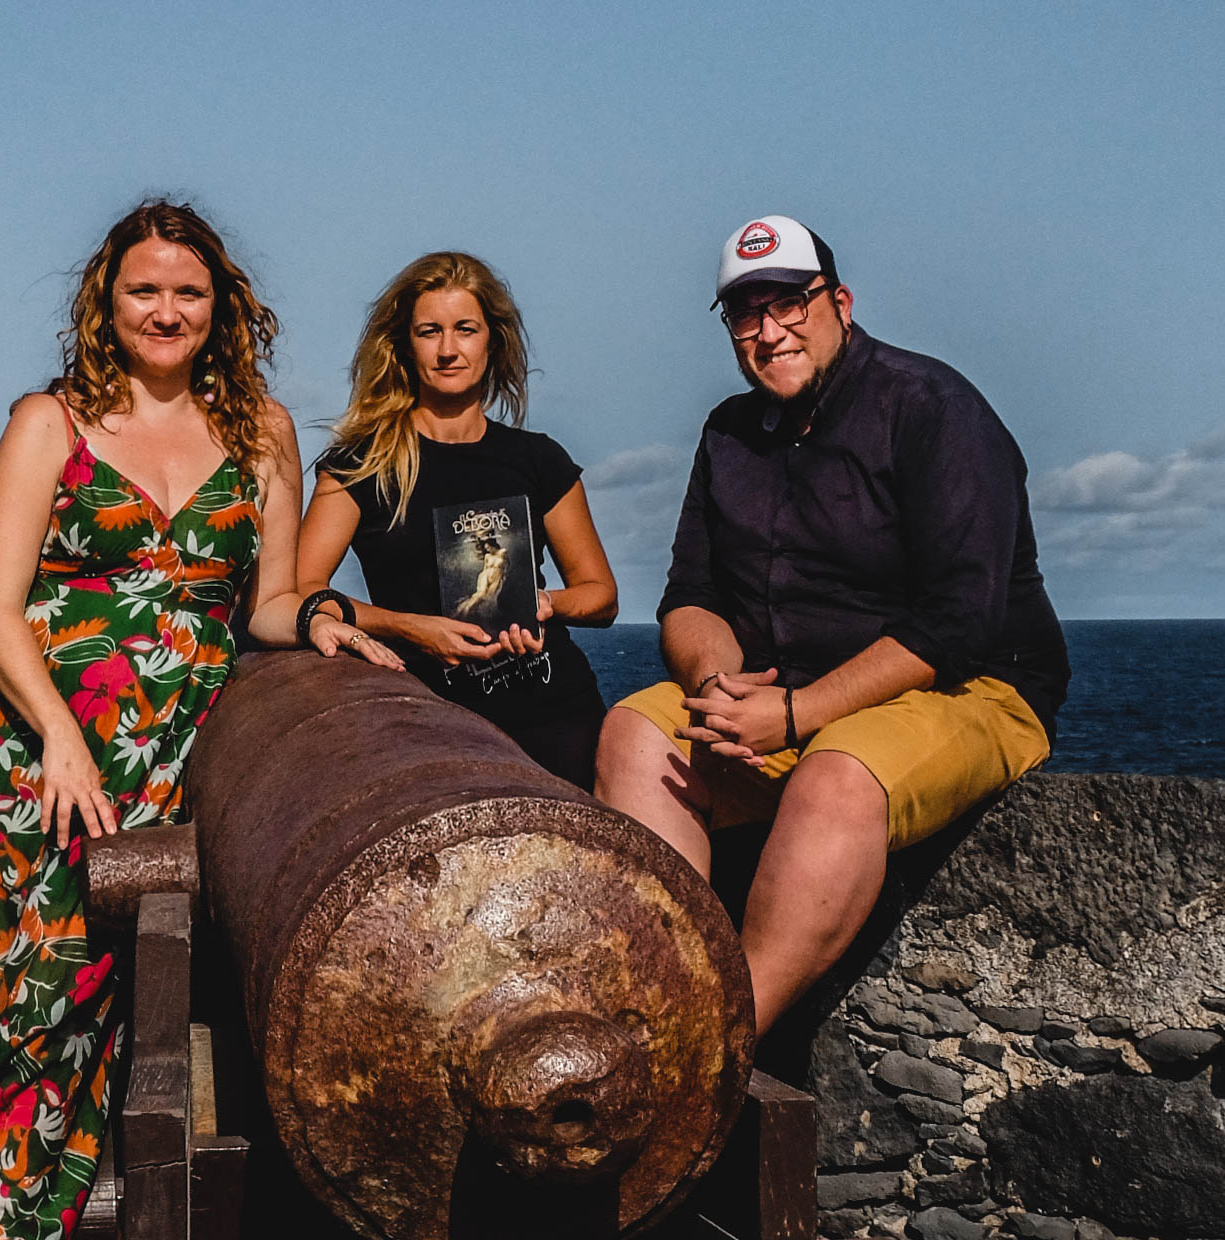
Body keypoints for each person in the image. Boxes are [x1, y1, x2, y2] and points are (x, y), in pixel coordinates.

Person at [0, 200, 398, 1240]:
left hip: (164, 744)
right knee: (4, 992)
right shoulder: (51, 420)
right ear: (106, 301)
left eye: (187, 291)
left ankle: (38, 1208)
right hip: (21, 742)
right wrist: (63, 737)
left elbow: (261, 601)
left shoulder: (258, 428)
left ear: (221, 306)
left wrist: (322, 618)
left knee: (90, 988)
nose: (165, 310)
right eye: (144, 290)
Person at [595, 215, 1069, 1039]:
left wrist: (797, 716)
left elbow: (958, 622)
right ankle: (657, 1006)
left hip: (971, 688)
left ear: (840, 302)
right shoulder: (729, 433)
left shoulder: (933, 409)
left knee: (837, 775)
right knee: (636, 731)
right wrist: (713, 685)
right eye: (746, 314)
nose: (769, 331)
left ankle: (717, 1043)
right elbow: (691, 595)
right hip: (791, 692)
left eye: (790, 304)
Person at [298, 251, 617, 790]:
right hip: (432, 722)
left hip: (558, 712)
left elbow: (601, 596)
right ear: (404, 345)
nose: (448, 350)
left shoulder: (538, 460)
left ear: (492, 341)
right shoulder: (360, 466)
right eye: (430, 332)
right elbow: (302, 590)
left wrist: (545, 603)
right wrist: (408, 628)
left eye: (465, 329)